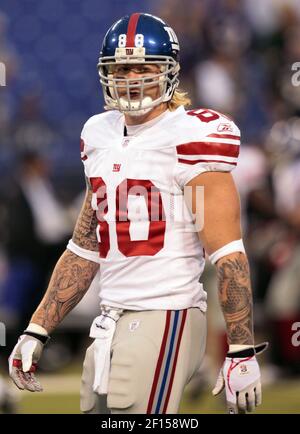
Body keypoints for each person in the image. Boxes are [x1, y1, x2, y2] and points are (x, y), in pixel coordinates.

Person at [8, 13, 267, 414]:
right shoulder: (99, 135)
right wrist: (38, 328)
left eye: (144, 68)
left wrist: (241, 348)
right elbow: (84, 247)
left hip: (167, 313)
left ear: (170, 73)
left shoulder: (189, 137)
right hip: (110, 318)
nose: (131, 78)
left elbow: (228, 255)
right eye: (121, 67)